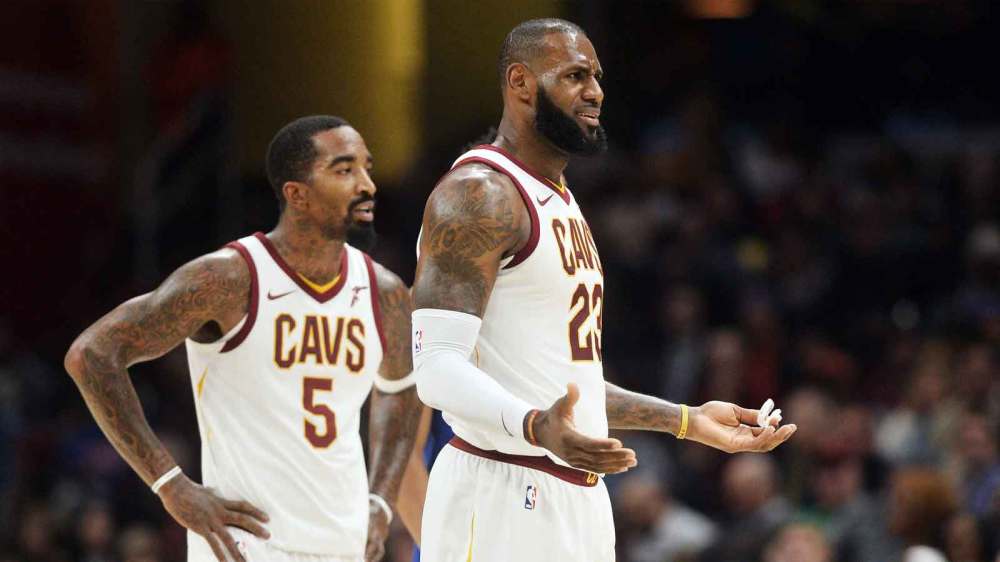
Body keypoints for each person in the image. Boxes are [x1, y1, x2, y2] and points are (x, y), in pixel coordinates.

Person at [410, 18, 797, 561]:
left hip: (578, 499)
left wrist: (687, 421)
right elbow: (435, 367)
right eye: (574, 75)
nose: (595, 91)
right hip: (500, 488)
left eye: (596, 76)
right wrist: (534, 427)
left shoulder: (560, 200)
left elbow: (568, 385)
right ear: (520, 83)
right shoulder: (479, 196)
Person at [64, 115, 421, 562]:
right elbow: (92, 355)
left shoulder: (385, 292)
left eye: (366, 167)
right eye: (345, 170)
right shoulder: (228, 278)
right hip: (245, 544)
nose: (367, 184)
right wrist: (169, 485)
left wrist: (382, 502)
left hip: (342, 544)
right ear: (297, 194)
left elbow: (400, 390)